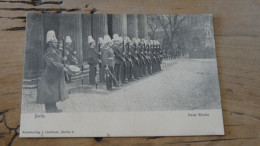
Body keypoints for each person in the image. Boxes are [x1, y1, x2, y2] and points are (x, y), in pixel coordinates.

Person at [37, 30, 68, 113]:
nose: (57, 43)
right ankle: (49, 109)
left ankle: (53, 107)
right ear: (50, 42)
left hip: (55, 75)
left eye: (57, 42)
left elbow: (58, 60)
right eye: (55, 42)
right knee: (49, 92)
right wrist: (62, 67)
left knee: (53, 92)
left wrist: (63, 59)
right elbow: (51, 63)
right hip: (49, 75)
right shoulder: (48, 51)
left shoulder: (56, 51)